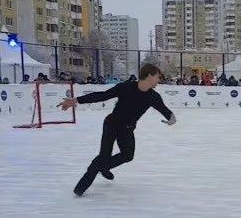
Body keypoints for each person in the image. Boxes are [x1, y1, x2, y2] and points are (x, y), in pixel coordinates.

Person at [60, 64, 176, 196]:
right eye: (157, 77)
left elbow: (165, 110)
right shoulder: (126, 87)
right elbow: (103, 95)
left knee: (128, 155)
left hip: (127, 129)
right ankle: (81, 187)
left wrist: (171, 118)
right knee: (104, 156)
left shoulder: (153, 97)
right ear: (149, 75)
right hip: (111, 124)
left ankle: (104, 167)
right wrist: (75, 100)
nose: (159, 80)